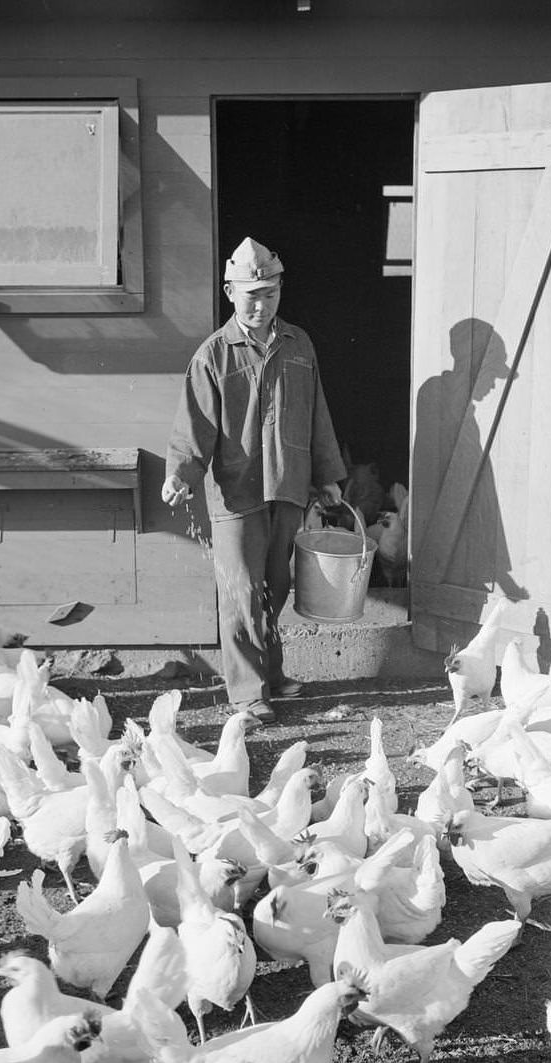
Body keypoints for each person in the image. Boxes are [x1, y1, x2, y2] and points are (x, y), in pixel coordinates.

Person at [161, 237, 346, 727]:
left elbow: (316, 412)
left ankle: (271, 673)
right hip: (236, 488)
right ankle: (246, 691)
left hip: (287, 482)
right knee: (242, 588)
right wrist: (182, 473)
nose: (261, 305)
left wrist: (326, 475)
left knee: (276, 583)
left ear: (280, 289)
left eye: (270, 293)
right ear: (230, 292)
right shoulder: (213, 356)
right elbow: (194, 423)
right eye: (251, 295)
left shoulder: (299, 344)